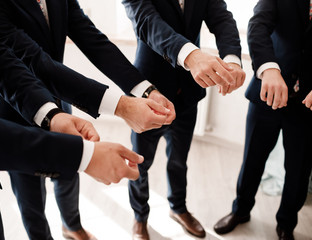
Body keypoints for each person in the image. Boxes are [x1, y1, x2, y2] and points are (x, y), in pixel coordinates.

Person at [0, 0, 176, 239]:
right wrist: (121, 108)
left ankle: (72, 226)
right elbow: (31, 60)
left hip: (55, 107)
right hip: (13, 115)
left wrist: (143, 90)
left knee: (68, 178)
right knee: (31, 198)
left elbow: (89, 37)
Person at [121, 0, 245, 239]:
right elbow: (147, 22)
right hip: (149, 93)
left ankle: (178, 208)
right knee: (140, 162)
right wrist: (192, 56)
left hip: (187, 94)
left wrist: (232, 59)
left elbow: (221, 18)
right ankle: (140, 217)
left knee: (179, 160)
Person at [213, 0, 312, 239]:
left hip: (308, 103)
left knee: (299, 171)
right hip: (268, 91)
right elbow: (257, 26)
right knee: (252, 159)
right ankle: (240, 211)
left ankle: (286, 224)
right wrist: (269, 68)